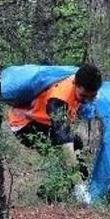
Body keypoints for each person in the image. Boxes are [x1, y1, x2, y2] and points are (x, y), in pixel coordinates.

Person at [8, 63, 103, 204]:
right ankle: (50, 197)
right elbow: (63, 139)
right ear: (75, 84)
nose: (86, 100)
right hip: (24, 125)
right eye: (83, 96)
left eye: (91, 97)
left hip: (43, 123)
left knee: (77, 147)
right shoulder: (58, 99)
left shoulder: (80, 86)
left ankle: (54, 192)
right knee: (67, 159)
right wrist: (78, 185)